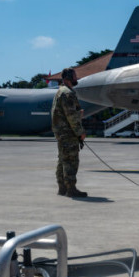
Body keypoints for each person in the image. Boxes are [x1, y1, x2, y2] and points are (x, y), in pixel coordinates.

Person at [51, 68, 87, 198]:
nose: (76, 78)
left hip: (61, 132)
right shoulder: (68, 93)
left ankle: (62, 188)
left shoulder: (60, 92)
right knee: (71, 161)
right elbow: (71, 116)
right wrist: (80, 132)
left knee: (62, 160)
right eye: (75, 76)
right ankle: (71, 188)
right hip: (68, 133)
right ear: (68, 78)